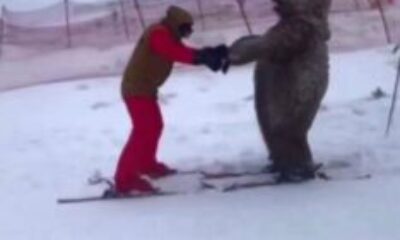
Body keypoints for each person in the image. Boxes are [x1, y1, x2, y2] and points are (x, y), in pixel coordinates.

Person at [114, 5, 228, 194]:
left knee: (155, 126)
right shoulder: (159, 34)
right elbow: (175, 52)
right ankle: (124, 180)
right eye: (185, 29)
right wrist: (203, 57)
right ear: (176, 24)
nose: (186, 33)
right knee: (143, 130)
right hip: (136, 88)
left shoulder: (167, 33)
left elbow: (181, 50)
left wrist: (208, 54)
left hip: (145, 88)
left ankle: (146, 164)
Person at [228, 0, 331, 182]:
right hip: (284, 87)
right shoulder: (294, 24)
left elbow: (268, 45)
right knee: (276, 128)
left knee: (286, 129)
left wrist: (230, 54)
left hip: (296, 88)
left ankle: (296, 166)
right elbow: (267, 43)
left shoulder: (301, 27)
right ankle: (283, 160)